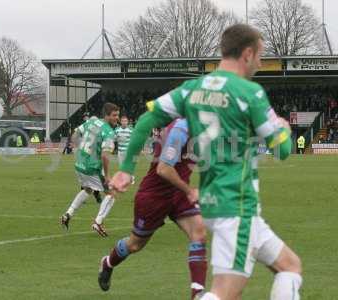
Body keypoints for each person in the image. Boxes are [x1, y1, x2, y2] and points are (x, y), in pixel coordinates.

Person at [110, 24, 302, 300]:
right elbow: (282, 150)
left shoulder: (191, 89)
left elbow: (146, 121)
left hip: (216, 203)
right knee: (224, 294)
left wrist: (126, 170)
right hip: (236, 205)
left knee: (290, 266)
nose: (261, 63)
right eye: (260, 55)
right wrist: (283, 127)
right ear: (247, 54)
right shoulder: (250, 93)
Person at [98, 119, 207, 299]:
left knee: (199, 233)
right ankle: (108, 263)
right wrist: (190, 191)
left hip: (178, 193)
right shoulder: (180, 128)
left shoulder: (199, 124)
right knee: (134, 245)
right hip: (154, 196)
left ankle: (198, 294)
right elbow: (163, 170)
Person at [61, 103, 120, 237]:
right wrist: (107, 175)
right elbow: (105, 156)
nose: (117, 118)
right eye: (114, 115)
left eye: (117, 115)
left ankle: (68, 214)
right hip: (92, 169)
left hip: (79, 164)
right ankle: (98, 222)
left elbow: (75, 135)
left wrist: (80, 150)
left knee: (88, 189)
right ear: (106, 115)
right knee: (111, 193)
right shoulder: (109, 132)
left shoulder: (91, 122)